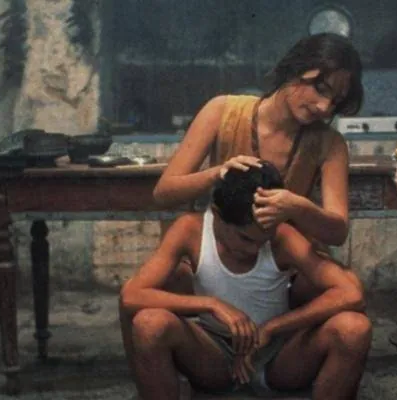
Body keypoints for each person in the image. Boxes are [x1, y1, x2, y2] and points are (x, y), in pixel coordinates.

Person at [119, 163, 371, 400]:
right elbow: (132, 295)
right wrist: (211, 304)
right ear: (217, 215)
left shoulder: (282, 236)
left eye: (264, 240)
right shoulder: (190, 230)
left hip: (277, 355)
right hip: (214, 353)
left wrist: (273, 328)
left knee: (354, 328)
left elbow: (351, 293)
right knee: (150, 324)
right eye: (246, 239)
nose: (254, 249)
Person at [153, 33, 364, 305]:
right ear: (296, 68)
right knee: (159, 291)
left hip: (285, 262)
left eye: (335, 102)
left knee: (347, 298)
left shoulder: (329, 143)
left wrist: (297, 207)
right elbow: (163, 193)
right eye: (321, 88)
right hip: (225, 249)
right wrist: (217, 174)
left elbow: (338, 233)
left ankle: (284, 329)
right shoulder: (222, 111)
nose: (324, 107)